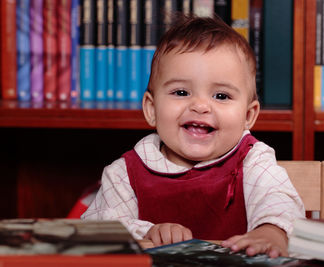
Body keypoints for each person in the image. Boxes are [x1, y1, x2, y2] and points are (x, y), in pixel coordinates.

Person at [82, 14, 305, 258]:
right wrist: (148, 231)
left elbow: (279, 202)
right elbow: (98, 228)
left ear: (248, 116)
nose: (200, 106)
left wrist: (271, 233)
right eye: (181, 92)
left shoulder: (253, 160)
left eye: (221, 96)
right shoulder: (124, 173)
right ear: (151, 109)